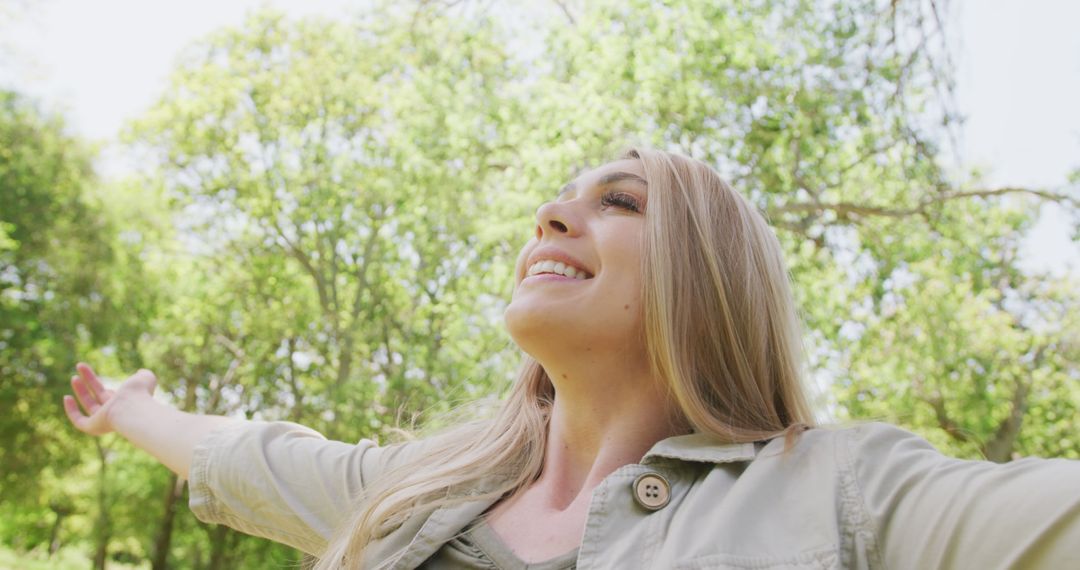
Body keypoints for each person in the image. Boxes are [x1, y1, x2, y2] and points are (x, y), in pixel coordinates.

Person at [64, 148, 1079, 569]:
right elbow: (243, 458)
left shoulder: (845, 494)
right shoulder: (416, 492)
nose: (553, 213)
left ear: (710, 279)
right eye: (561, 198)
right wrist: (126, 408)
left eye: (620, 202)